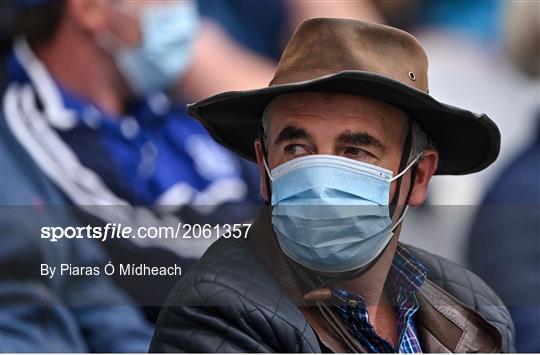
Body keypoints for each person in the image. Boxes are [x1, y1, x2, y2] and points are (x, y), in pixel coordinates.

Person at [151, 18, 515, 352]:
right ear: (265, 169)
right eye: (296, 148)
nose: (320, 176)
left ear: (418, 176)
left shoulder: (473, 306)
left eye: (355, 151)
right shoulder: (216, 310)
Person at [2, 0, 261, 315]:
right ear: (89, 9)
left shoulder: (165, 97)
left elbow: (269, 184)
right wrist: (288, 249)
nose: (183, 8)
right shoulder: (34, 126)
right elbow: (149, 261)